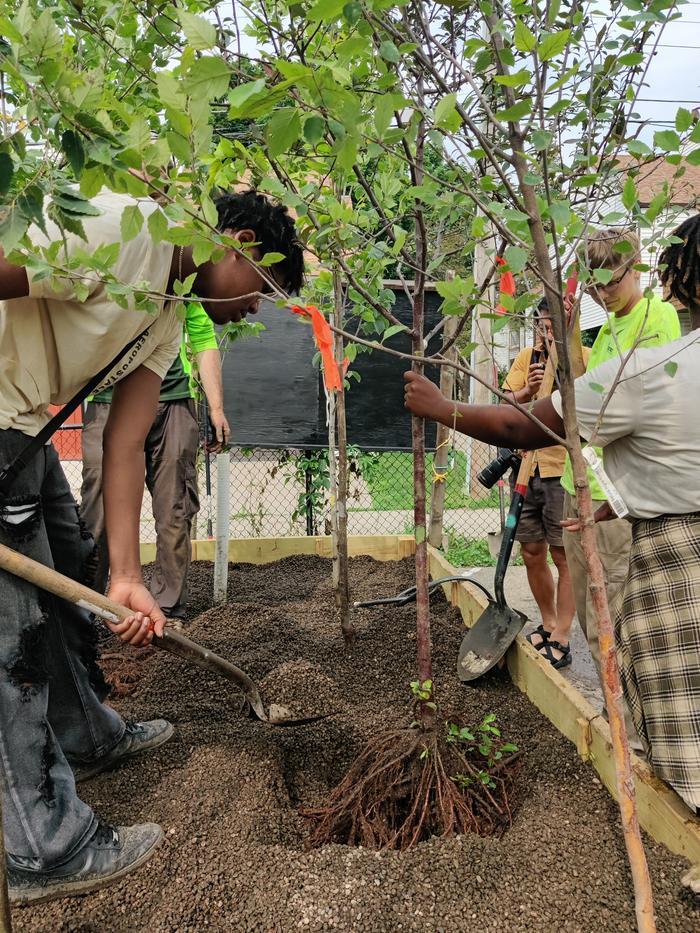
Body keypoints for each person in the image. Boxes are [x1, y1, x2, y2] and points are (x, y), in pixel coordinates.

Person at [0, 186, 304, 904]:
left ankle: (83, 733)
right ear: (240, 246)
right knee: (13, 636)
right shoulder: (117, 230)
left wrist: (129, 577)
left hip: (20, 424)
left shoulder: (170, 312)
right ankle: (42, 845)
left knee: (66, 568)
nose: (254, 310)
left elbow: (128, 440)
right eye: (262, 290)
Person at [403, 214, 700, 823]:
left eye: (610, 276)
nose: (599, 290)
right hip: (609, 489)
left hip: (662, 533)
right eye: (588, 281)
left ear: (664, 275)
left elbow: (535, 420)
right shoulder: (616, 334)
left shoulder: (658, 347)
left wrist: (443, 409)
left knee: (661, 673)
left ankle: (659, 778)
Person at [80, 300, 230, 621]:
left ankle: (167, 613)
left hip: (173, 401)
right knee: (97, 507)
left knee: (174, 507)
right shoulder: (116, 267)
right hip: (107, 399)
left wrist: (216, 408)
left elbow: (203, 337)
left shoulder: (182, 278)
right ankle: (90, 613)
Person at [502, 297, 584, 669]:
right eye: (542, 325)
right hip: (525, 468)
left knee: (562, 554)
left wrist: (560, 360)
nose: (546, 332)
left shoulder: (578, 355)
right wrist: (527, 390)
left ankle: (563, 636)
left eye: (554, 325)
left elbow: (582, 399)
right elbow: (506, 401)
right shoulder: (526, 358)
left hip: (560, 469)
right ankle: (548, 621)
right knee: (531, 551)